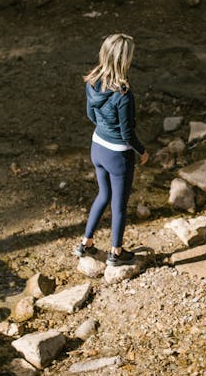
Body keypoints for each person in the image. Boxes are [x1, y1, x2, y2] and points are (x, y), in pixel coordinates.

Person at [75, 33, 149, 266]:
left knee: (103, 195)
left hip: (97, 147)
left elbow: (90, 115)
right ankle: (116, 253)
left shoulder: (92, 81)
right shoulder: (124, 94)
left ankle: (85, 244)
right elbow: (128, 134)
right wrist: (143, 151)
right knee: (119, 206)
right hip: (118, 155)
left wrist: (105, 128)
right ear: (124, 60)